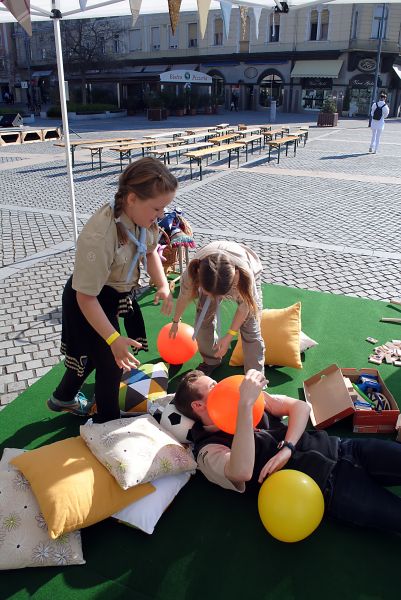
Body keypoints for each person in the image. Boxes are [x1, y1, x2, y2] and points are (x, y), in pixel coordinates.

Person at [174, 369, 401, 536]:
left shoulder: (252, 402)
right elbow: (240, 471)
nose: (222, 384)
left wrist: (288, 448)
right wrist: (244, 406)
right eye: (213, 386)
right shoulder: (207, 449)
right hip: (330, 488)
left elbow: (300, 407)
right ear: (198, 406)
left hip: (344, 447)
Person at [48, 158, 177, 422]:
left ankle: (63, 397)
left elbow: (150, 250)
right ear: (131, 199)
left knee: (94, 355)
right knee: (111, 363)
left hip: (110, 296)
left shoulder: (141, 218)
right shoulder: (100, 235)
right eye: (157, 207)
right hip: (88, 299)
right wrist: (113, 339)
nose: (161, 215)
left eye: (164, 207)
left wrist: (162, 284)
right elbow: (85, 296)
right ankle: (108, 423)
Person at [169, 241, 265, 376]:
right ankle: (211, 361)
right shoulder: (194, 270)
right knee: (201, 323)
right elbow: (183, 296)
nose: (216, 298)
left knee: (251, 331)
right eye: (210, 294)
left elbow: (245, 307)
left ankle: (255, 376)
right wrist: (175, 321)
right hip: (213, 276)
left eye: (221, 295)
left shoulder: (244, 275)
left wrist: (229, 335)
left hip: (244, 271)